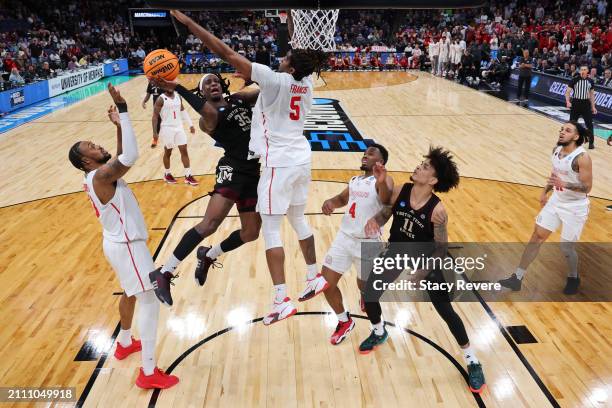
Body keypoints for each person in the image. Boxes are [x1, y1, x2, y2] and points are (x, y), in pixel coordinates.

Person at [170, 10, 327, 326]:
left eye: (285, 57)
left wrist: (189, 24)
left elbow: (224, 52)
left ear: (290, 66)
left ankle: (281, 299)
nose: (281, 58)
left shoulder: (271, 79)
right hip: (302, 159)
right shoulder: (306, 82)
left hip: (277, 163)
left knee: (269, 229)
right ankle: (313, 276)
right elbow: (296, 51)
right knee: (297, 219)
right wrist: (286, 19)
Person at [67, 84, 179, 389]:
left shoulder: (98, 175)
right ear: (85, 161)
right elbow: (129, 155)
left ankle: (126, 341)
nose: (96, 145)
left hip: (116, 244)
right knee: (151, 300)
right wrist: (125, 110)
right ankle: (148, 372)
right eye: (90, 145)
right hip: (128, 247)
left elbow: (116, 158)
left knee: (131, 292)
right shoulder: (101, 176)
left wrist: (118, 127)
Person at [359, 147, 486, 393]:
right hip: (396, 250)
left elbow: (440, 248)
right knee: (370, 292)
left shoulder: (438, 210)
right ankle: (378, 331)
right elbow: (387, 213)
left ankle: (472, 360)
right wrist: (376, 220)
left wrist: (423, 271)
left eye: (426, 167)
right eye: (421, 163)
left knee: (445, 310)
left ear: (434, 181)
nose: (419, 167)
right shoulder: (400, 191)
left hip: (426, 258)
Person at [148, 74, 262, 306]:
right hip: (232, 168)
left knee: (251, 232)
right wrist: (178, 87)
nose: (213, 84)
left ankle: (208, 255)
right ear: (202, 94)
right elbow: (209, 113)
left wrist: (256, 78)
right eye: (207, 84)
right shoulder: (206, 118)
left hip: (253, 170)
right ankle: (164, 272)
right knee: (210, 224)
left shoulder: (239, 100)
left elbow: (263, 90)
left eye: (215, 81)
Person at [299, 145, 393, 345]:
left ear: (381, 161)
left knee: (365, 287)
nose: (365, 154)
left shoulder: (382, 179)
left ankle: (365, 297)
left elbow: (386, 199)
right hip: (344, 239)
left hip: (368, 244)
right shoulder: (355, 180)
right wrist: (331, 202)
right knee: (326, 283)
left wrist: (383, 180)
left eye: (371, 152)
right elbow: (342, 198)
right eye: (365, 152)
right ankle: (344, 321)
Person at [499, 122, 593, 295]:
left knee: (566, 248)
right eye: (561, 129)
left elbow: (587, 187)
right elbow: (554, 174)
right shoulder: (556, 151)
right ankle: (517, 278)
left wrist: (564, 184)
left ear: (576, 136)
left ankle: (573, 276)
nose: (562, 132)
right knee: (536, 237)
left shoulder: (582, 158)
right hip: (556, 201)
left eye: (567, 130)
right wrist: (544, 192)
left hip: (575, 207)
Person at [152, 89, 198, 185]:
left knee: (184, 150)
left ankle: (188, 175)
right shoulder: (161, 99)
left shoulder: (178, 96)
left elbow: (183, 110)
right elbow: (155, 116)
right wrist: (155, 132)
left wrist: (190, 124)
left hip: (179, 127)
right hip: (167, 128)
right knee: (168, 152)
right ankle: (167, 174)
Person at [565, 66, 597, 149]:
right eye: (581, 70)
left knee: (589, 124)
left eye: (584, 70)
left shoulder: (590, 81)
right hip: (576, 103)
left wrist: (593, 107)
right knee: (572, 123)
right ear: (579, 71)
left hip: (586, 104)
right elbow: (567, 92)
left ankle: (591, 142)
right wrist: (568, 101)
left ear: (587, 71)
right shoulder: (575, 80)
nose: (583, 71)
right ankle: (570, 141)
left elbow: (592, 95)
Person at [143, 82, 163, 147]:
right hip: (156, 106)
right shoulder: (151, 83)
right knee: (157, 120)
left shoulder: (164, 81)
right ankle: (155, 138)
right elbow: (148, 94)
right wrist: (144, 101)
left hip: (166, 106)